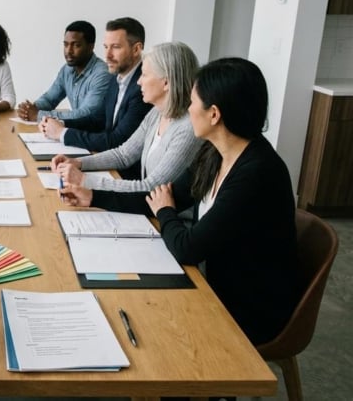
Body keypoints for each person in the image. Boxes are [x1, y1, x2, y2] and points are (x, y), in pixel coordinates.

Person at [61, 57, 301, 346]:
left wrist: (165, 210)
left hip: (248, 308)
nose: (188, 110)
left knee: (139, 325)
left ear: (214, 114)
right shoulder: (214, 153)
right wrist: (94, 197)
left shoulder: (257, 172)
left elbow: (187, 247)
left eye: (193, 102)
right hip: (211, 283)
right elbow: (158, 196)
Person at [51, 42, 203, 192]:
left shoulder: (188, 129)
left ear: (166, 83)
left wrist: (84, 180)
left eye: (144, 74)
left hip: (164, 215)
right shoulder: (157, 113)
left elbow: (150, 187)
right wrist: (78, 163)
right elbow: (124, 154)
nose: (138, 81)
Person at [39, 17, 152, 180]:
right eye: (106, 47)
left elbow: (117, 141)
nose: (107, 55)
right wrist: (61, 124)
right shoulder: (117, 76)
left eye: (116, 47)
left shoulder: (143, 86)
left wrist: (63, 133)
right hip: (109, 164)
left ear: (136, 49)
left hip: (126, 176)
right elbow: (98, 119)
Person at [17, 20, 112, 122]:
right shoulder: (67, 70)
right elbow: (49, 99)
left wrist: (39, 115)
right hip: (76, 131)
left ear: (91, 46)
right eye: (66, 45)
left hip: (96, 134)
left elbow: (86, 114)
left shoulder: (102, 74)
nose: (68, 51)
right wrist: (30, 108)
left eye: (76, 45)